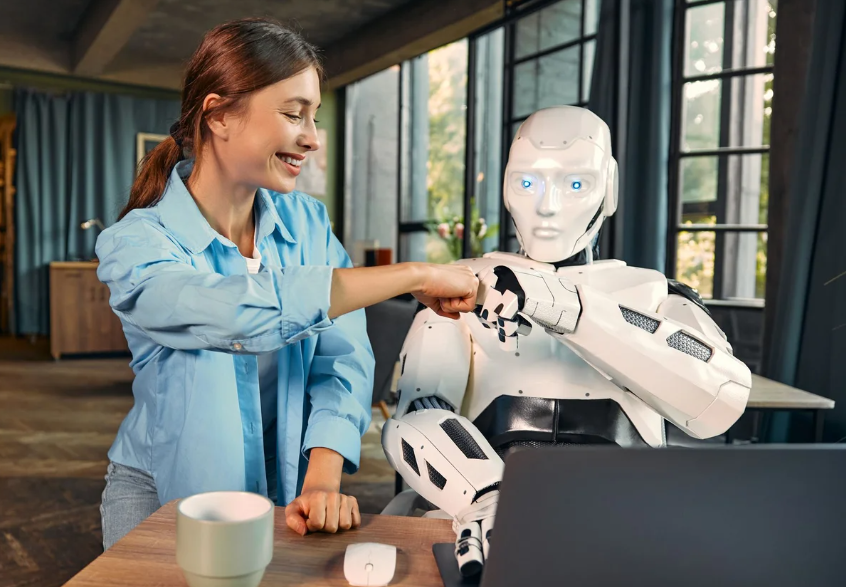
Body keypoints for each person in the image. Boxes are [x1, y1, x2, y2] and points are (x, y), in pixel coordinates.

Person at [96, 18, 478, 550]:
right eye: (294, 114)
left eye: (315, 116)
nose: (313, 138)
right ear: (219, 114)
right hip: (165, 499)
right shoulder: (136, 244)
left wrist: (322, 477)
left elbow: (342, 356)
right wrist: (412, 274)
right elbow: (236, 313)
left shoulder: (308, 224)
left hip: (288, 493)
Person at [380, 106, 752, 574]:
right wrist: (493, 498)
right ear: (505, 186)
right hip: (482, 521)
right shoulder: (462, 287)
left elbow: (722, 398)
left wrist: (568, 307)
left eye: (575, 184)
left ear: (608, 189)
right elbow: (416, 417)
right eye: (527, 183)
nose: (547, 207)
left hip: (625, 523)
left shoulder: (650, 293)